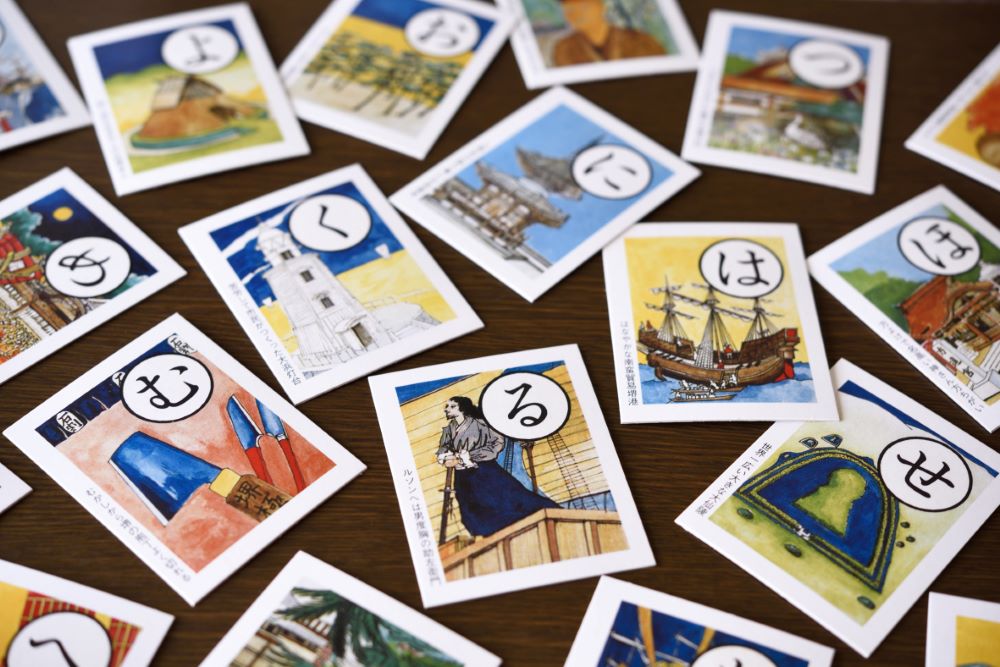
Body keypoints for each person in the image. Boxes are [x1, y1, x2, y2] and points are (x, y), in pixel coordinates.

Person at [436, 395, 558, 538]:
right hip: (462, 476)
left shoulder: (479, 424)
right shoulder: (449, 429)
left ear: (462, 408)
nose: (447, 409)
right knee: (470, 509)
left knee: (507, 498)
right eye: (447, 406)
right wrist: (445, 457)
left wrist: (469, 456)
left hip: (483, 470)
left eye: (452, 406)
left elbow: (497, 444)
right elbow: (443, 448)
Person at [551, 0, 667, 67]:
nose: (576, 14)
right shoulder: (564, 49)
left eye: (583, 7)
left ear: (600, 6)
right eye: (569, 10)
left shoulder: (642, 42)